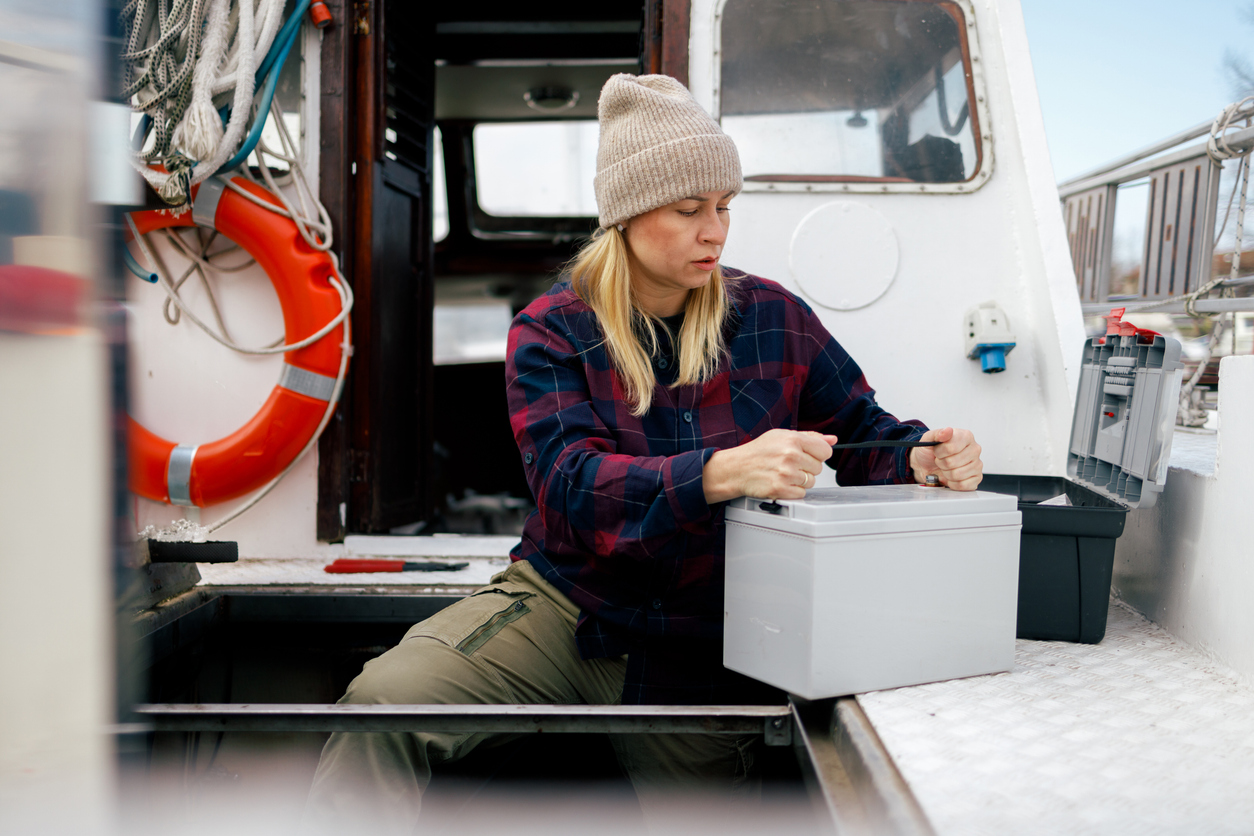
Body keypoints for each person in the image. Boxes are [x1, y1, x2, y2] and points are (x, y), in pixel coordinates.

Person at [305, 73, 983, 830]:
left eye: (724, 208)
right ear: (626, 215)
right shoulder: (552, 328)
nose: (715, 232)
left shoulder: (776, 319)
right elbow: (571, 486)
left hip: (707, 639)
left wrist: (923, 457)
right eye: (689, 210)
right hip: (570, 606)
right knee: (380, 705)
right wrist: (721, 473)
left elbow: (862, 434)